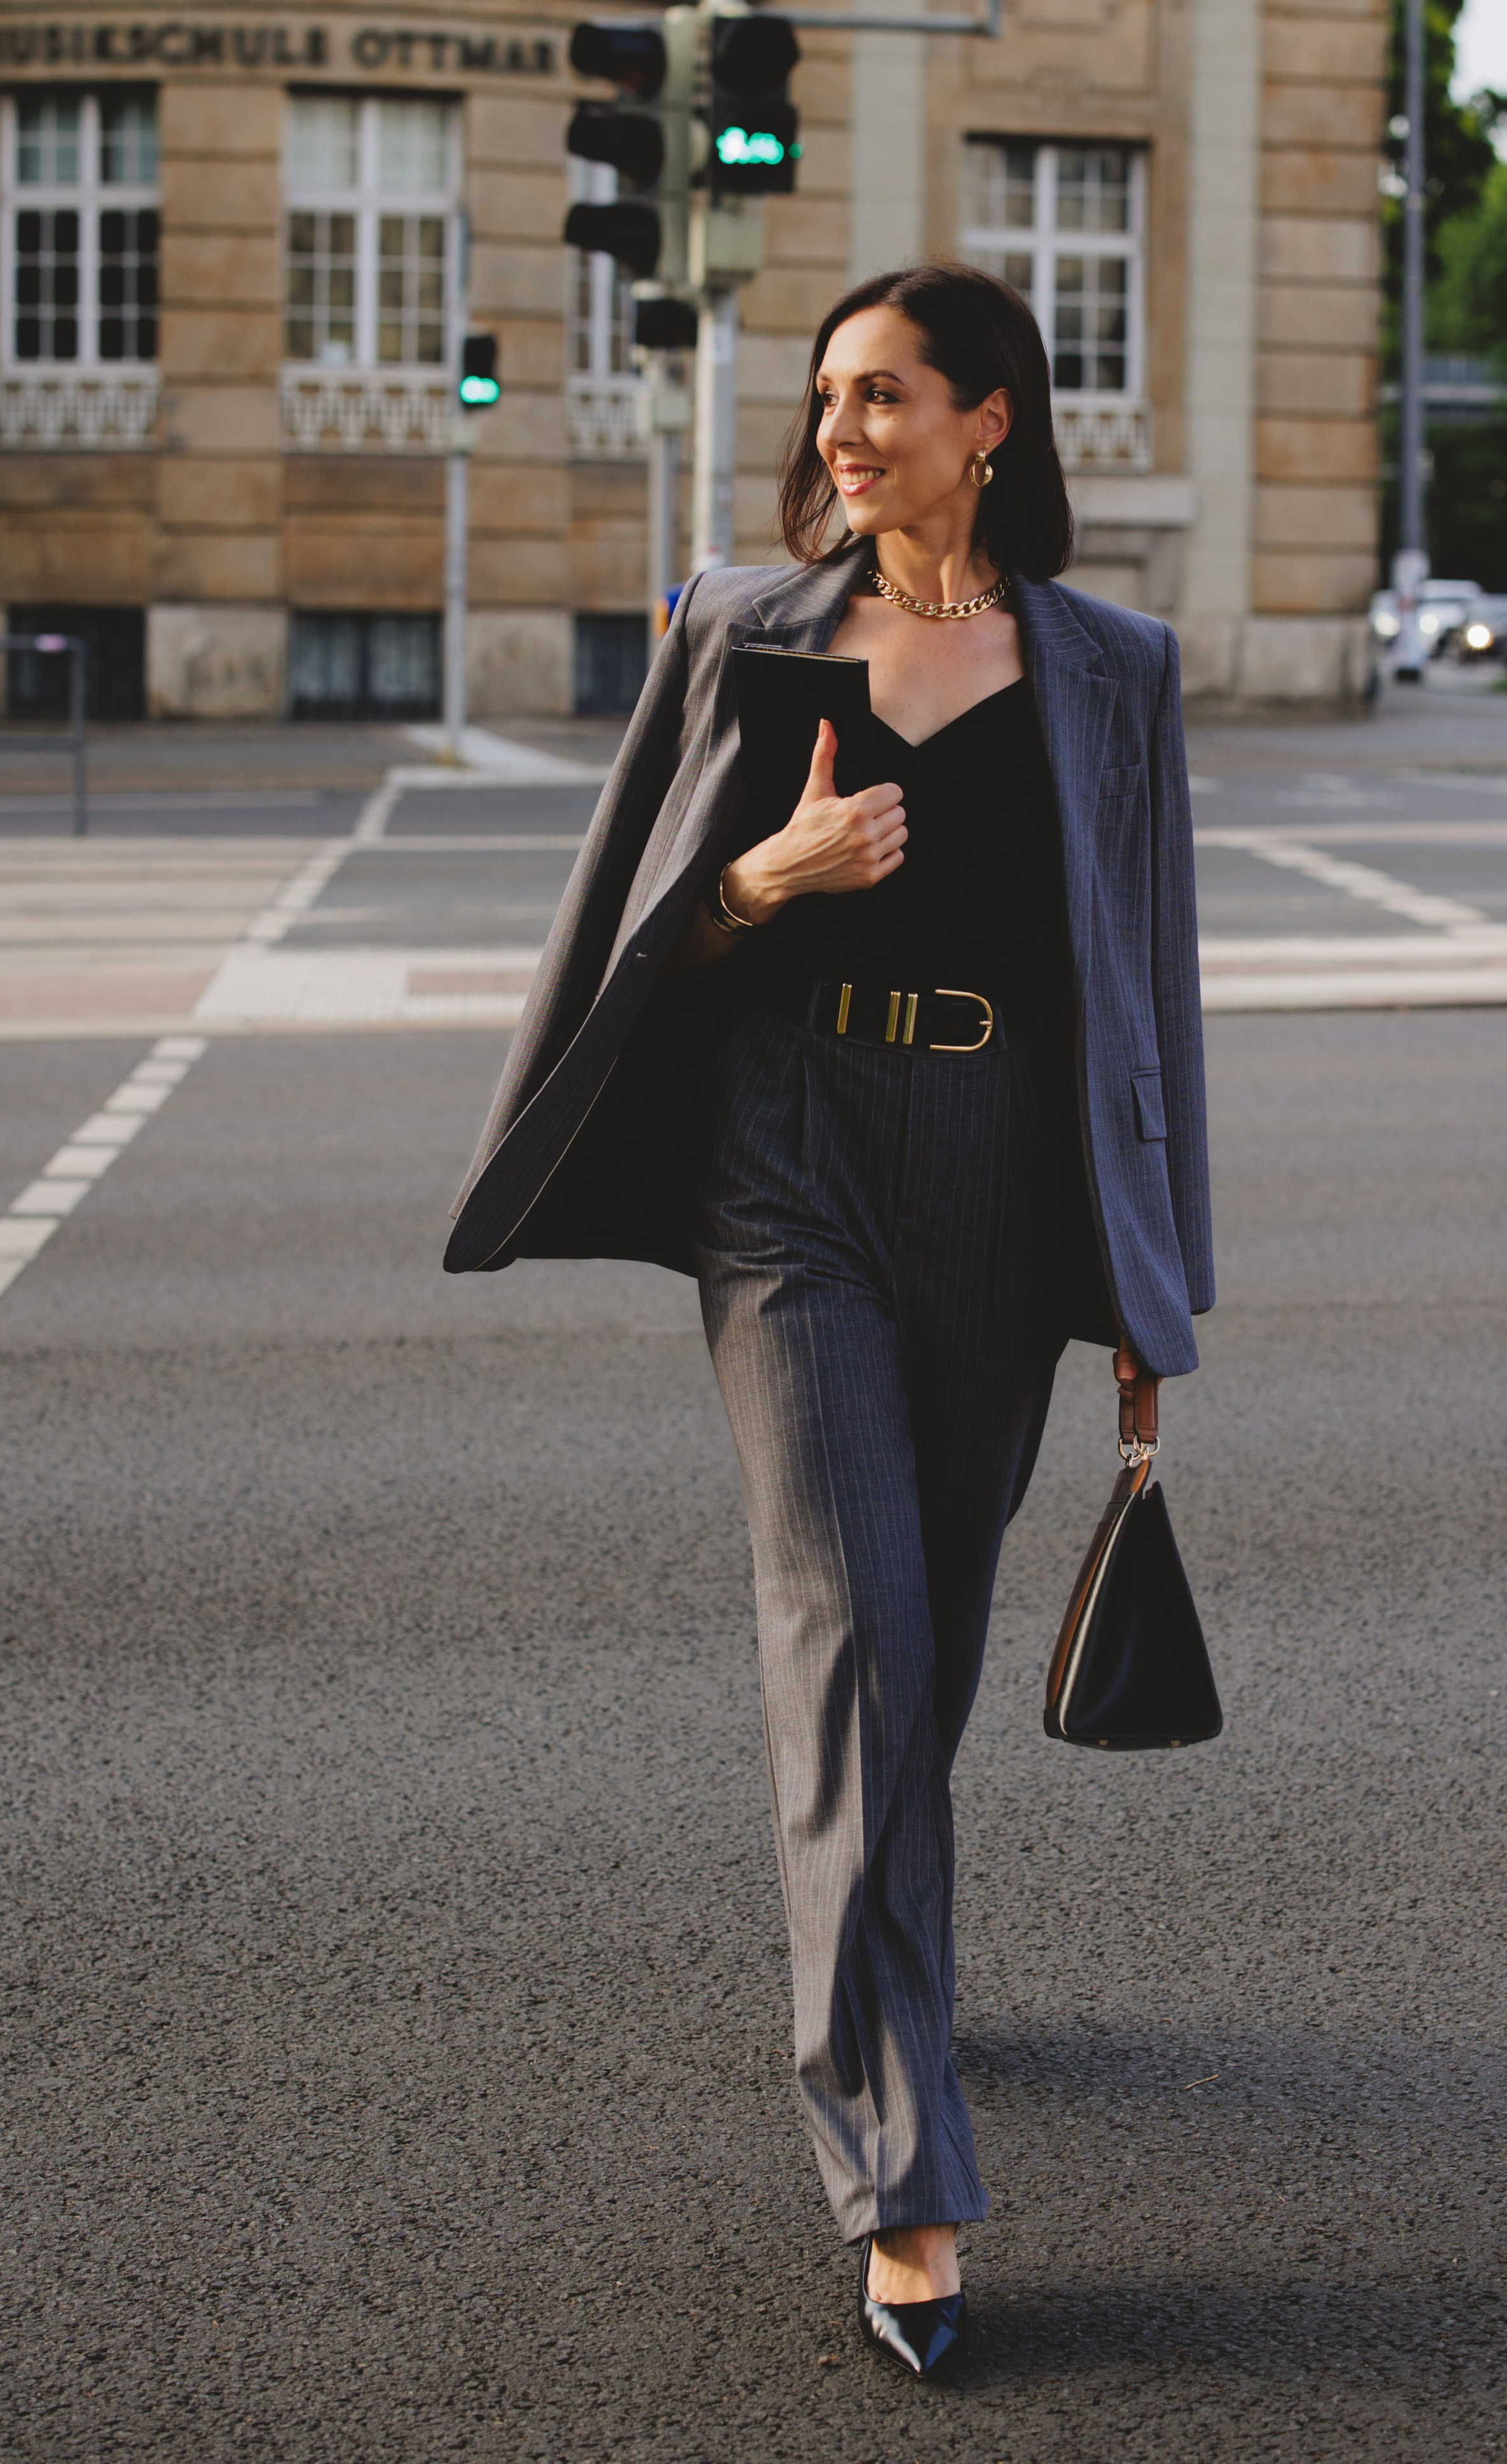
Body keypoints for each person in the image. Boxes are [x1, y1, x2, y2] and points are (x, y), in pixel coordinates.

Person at [446, 262, 1212, 2380]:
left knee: (931, 1626)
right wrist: (764, 885)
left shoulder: (1112, 670)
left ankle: (894, 1953)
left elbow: (1146, 993)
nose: (843, 432)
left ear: (994, 421)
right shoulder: (741, 631)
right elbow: (625, 922)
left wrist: (1160, 1281)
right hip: (786, 1169)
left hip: (997, 1170)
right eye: (827, 402)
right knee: (858, 1633)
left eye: (886, 397)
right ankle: (908, 2177)